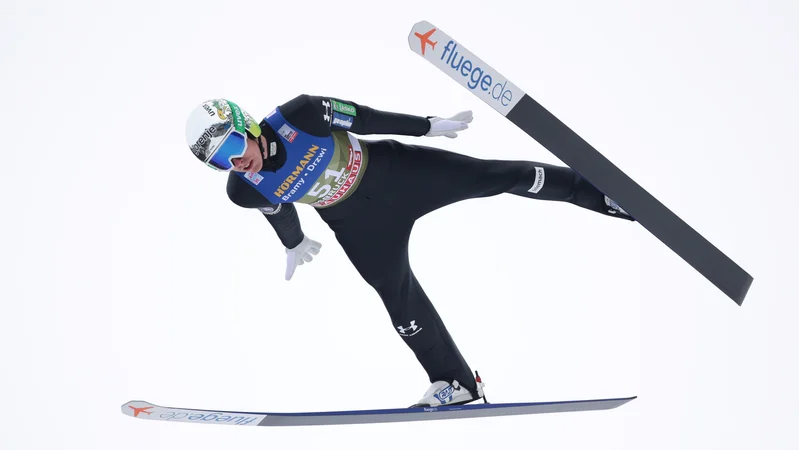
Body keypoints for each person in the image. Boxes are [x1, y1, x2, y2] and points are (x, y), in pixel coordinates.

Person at [184, 95, 634, 407]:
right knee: (396, 295)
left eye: (232, 147)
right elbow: (274, 206)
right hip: (355, 222)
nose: (235, 162)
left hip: (395, 172)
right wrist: (294, 241)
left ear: (248, 127)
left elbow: (363, 117)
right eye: (219, 160)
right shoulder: (242, 188)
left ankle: (603, 197)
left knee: (501, 175)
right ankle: (454, 382)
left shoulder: (300, 114)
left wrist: (426, 126)